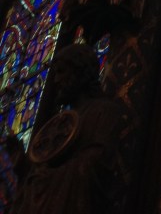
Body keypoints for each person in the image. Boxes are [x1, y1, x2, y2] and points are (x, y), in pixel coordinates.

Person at [11, 44, 125, 214]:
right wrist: (26, 170)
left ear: (81, 73)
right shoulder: (59, 123)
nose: (56, 80)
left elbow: (94, 168)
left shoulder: (103, 112)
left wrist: (44, 179)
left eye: (62, 72)